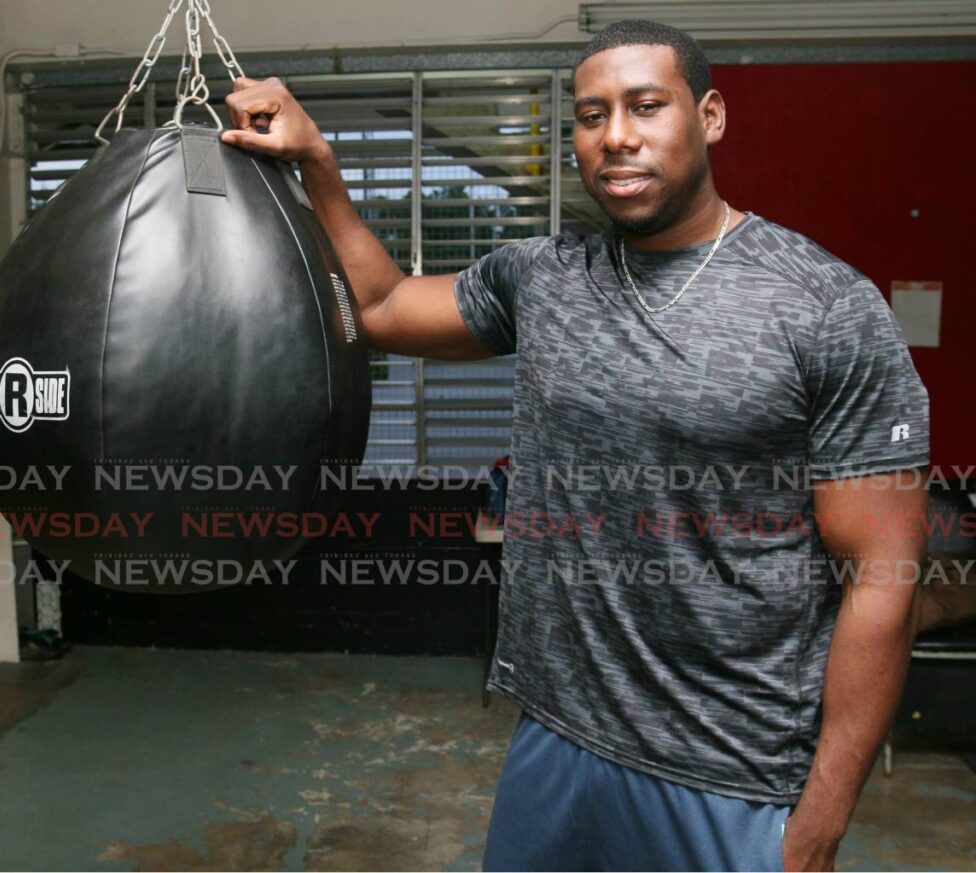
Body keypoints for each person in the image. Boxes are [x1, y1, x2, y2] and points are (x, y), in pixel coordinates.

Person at [221, 19, 930, 872]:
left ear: (710, 117)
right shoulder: (547, 277)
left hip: (731, 770)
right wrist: (319, 165)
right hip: (557, 739)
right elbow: (382, 308)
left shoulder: (822, 307)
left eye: (645, 105)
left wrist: (821, 819)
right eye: (591, 116)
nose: (617, 136)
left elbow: (884, 580)